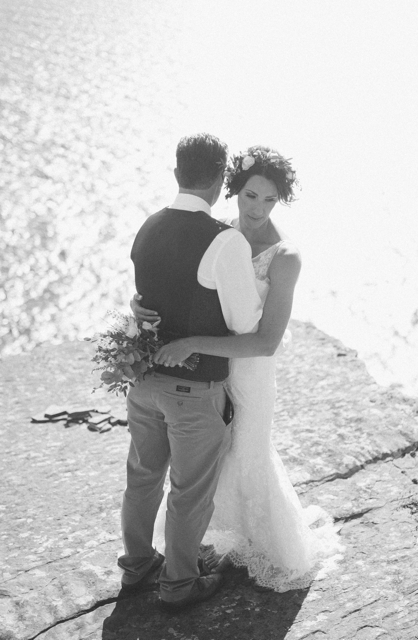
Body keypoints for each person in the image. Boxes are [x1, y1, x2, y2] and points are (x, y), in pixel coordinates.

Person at [134, 145, 341, 592]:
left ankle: (268, 544)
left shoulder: (285, 257)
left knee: (247, 453)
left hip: (248, 375)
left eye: (269, 200)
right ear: (232, 191)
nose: (257, 209)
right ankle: (211, 539)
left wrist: (189, 343)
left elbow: (266, 342)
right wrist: (142, 307)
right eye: (250, 196)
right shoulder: (220, 235)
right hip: (207, 373)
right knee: (212, 459)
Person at [118, 133, 263, 611]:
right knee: (189, 489)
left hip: (142, 383)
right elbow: (245, 325)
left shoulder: (148, 226)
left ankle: (138, 564)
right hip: (193, 389)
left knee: (142, 477)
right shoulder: (225, 241)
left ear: (177, 171)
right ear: (221, 177)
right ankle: (179, 583)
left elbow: (146, 299)